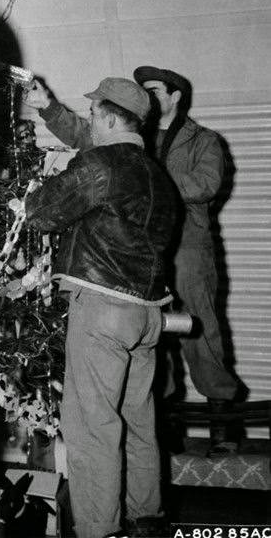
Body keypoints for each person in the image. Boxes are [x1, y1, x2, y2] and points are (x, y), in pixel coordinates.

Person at [24, 77, 177, 538]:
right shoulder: (157, 174)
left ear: (110, 119)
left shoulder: (101, 163)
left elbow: (42, 212)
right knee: (138, 421)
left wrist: (28, 197)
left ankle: (96, 529)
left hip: (103, 311)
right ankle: (145, 517)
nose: (90, 121)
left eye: (94, 115)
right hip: (148, 315)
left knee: (92, 426)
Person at [134, 65, 239, 455]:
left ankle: (222, 426)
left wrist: (152, 183)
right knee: (155, 334)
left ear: (175, 96)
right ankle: (168, 425)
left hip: (190, 250)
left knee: (202, 333)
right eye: (143, 91)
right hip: (147, 251)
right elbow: (87, 136)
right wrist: (48, 109)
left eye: (155, 90)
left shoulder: (205, 140)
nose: (147, 98)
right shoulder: (135, 138)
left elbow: (206, 184)